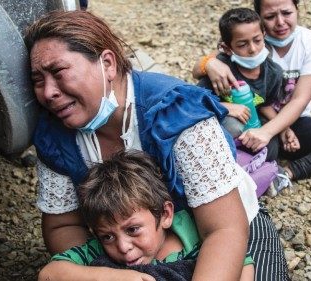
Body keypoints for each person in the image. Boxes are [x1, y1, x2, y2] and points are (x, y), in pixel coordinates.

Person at [25, 10, 289, 281]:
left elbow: (224, 230)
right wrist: (107, 271)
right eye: (37, 81)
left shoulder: (178, 113)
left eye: (59, 72)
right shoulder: (55, 133)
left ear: (107, 63)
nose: (48, 92)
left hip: (227, 233)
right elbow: (63, 225)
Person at [193, 0, 311, 187]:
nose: (280, 22)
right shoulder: (246, 37)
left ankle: (287, 172)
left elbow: (299, 100)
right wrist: (209, 63)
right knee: (234, 131)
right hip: (251, 121)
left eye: (286, 13)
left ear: (297, 10)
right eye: (270, 16)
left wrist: (274, 131)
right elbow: (200, 72)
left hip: (289, 122)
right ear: (260, 19)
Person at [39, 150, 254, 281]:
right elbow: (49, 274)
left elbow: (242, 263)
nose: (123, 247)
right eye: (108, 236)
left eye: (133, 230)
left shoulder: (193, 238)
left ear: (165, 214)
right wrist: (112, 277)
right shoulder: (100, 250)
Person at [196, 7, 300, 164]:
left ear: (264, 36)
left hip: (252, 124)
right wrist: (225, 107)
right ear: (227, 48)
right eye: (242, 44)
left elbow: (265, 104)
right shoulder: (221, 71)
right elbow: (194, 100)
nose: (252, 49)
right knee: (233, 126)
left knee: (271, 149)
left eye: (257, 40)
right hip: (221, 125)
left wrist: (284, 129)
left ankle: (243, 162)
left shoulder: (273, 73)